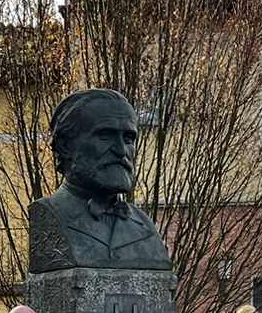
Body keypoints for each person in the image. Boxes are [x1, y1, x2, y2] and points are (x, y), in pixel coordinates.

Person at [25, 88, 169, 274]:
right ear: (65, 145)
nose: (121, 150)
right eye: (105, 136)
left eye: (128, 138)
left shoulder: (146, 226)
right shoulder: (49, 217)